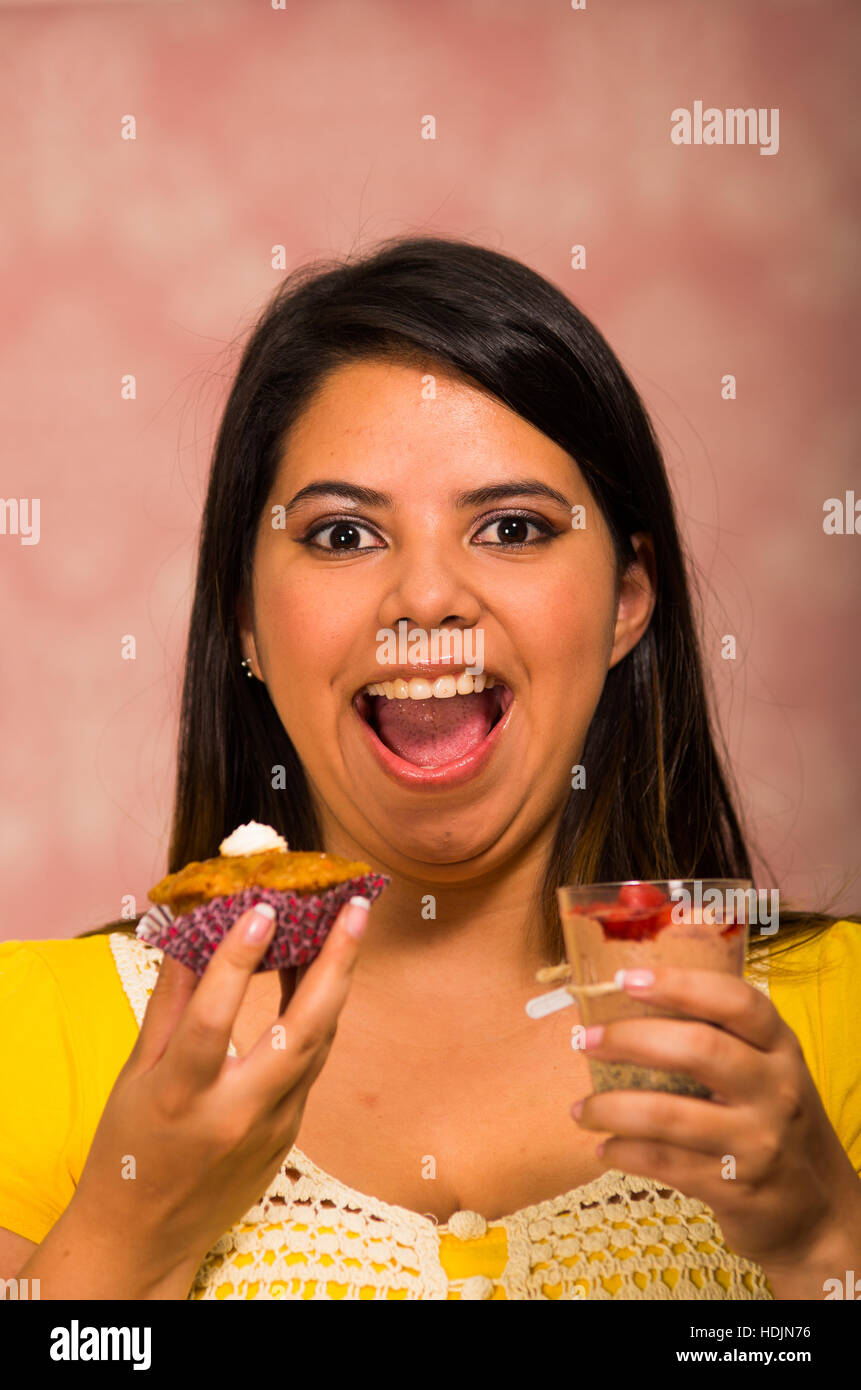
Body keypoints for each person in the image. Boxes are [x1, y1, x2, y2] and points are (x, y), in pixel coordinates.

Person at [2, 236, 859, 1301]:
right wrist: (131, 1235)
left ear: (628, 603)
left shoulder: (839, 1019)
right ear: (247, 621)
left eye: (510, 526)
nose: (426, 598)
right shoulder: (27, 1038)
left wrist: (828, 1242)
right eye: (345, 534)